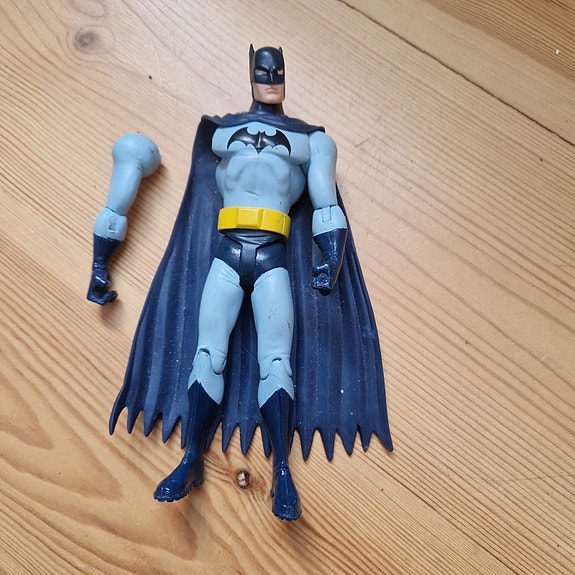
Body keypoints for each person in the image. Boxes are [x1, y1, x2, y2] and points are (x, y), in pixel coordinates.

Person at [107, 46, 392, 521]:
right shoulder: (221, 132)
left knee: (276, 362)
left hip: (273, 256)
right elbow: (202, 189)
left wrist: (333, 257)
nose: (271, 78)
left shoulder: (311, 141)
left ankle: (282, 471)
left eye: (277, 71)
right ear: (252, 73)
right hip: (226, 251)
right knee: (207, 353)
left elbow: (325, 203)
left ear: (284, 75)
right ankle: (191, 459)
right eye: (264, 71)